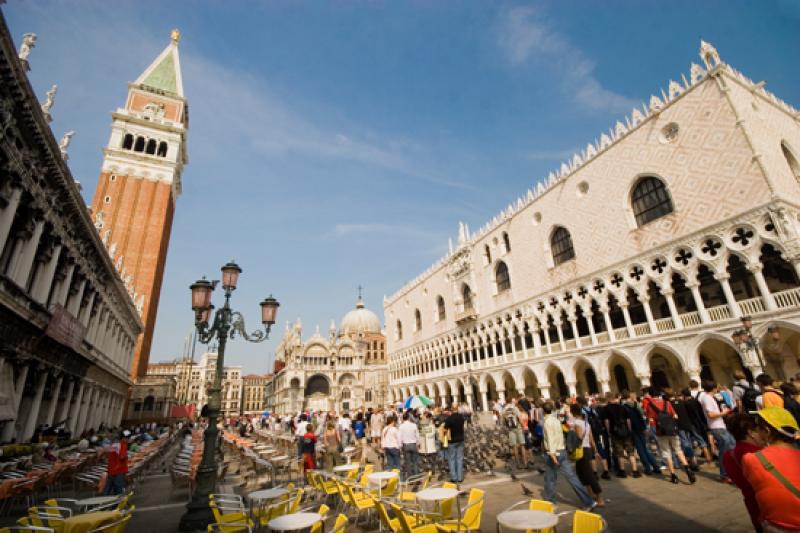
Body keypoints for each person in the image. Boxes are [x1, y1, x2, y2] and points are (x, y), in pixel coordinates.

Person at [742, 407, 800, 531]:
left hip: (778, 526)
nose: (755, 431)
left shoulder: (751, 459)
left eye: (757, 427)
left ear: (767, 431)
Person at [542, 401, 596, 510]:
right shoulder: (556, 420)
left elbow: (551, 438)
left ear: (544, 411)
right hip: (562, 451)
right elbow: (561, 435)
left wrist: (552, 454)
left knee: (550, 478)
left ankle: (550, 502)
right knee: (572, 478)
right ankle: (588, 501)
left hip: (554, 453)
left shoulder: (547, 422)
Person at [722, 414, 764, 532]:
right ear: (751, 432)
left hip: (752, 505)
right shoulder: (761, 454)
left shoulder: (728, 456)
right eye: (759, 429)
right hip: (772, 506)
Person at [644, 390, 696, 484]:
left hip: (661, 432)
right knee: (678, 450)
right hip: (672, 431)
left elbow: (650, 420)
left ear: (650, 395)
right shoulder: (667, 403)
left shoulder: (650, 405)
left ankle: (673, 475)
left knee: (667, 453)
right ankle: (688, 469)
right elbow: (675, 416)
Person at [698, 380, 736, 482]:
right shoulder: (707, 398)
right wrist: (723, 413)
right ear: (714, 388)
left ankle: (730, 472)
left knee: (731, 446)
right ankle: (724, 474)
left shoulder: (710, 397)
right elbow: (711, 414)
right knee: (725, 451)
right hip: (716, 427)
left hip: (720, 426)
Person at [569, 404, 604, 507]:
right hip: (587, 449)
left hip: (581, 450)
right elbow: (591, 438)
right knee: (581, 473)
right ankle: (590, 495)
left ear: (572, 412)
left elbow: (579, 438)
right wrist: (596, 451)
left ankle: (599, 496)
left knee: (588, 473)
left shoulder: (576, 424)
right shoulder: (586, 423)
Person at [602, 392, 640, 477]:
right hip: (625, 431)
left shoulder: (606, 408)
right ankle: (635, 470)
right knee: (630, 452)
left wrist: (609, 432)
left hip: (615, 432)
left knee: (619, 452)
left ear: (608, 399)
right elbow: (628, 420)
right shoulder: (622, 407)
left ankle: (622, 471)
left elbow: (606, 421)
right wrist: (629, 430)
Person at [622, 390, 658, 476]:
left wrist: (630, 431)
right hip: (641, 428)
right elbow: (642, 414)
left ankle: (648, 468)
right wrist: (644, 427)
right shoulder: (636, 404)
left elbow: (627, 420)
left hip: (633, 429)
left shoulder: (624, 406)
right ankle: (655, 466)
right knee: (645, 448)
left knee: (640, 449)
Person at [443, 405, 466, 484]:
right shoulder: (461, 417)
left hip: (452, 441)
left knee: (452, 459)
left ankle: (453, 477)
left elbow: (445, 430)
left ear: (451, 409)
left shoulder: (449, 419)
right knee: (459, 458)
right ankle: (460, 477)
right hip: (461, 440)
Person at [103, 430, 129, 495]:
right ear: (124, 438)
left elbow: (108, 455)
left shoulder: (114, 445)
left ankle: (102, 503)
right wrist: (126, 457)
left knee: (107, 490)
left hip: (111, 470)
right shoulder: (123, 445)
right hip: (119, 471)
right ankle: (118, 504)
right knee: (118, 491)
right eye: (128, 438)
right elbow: (122, 457)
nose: (128, 440)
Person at [503, 396, 526, 469]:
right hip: (518, 428)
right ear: (511, 401)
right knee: (522, 445)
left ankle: (517, 463)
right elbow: (520, 418)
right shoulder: (515, 408)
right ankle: (525, 462)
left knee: (514, 446)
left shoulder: (504, 410)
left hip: (510, 429)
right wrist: (524, 427)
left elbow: (503, 422)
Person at [399, 412, 420, 479]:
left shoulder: (401, 426)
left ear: (403, 418)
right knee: (415, 462)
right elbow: (417, 435)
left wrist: (400, 446)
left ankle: (410, 477)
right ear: (408, 418)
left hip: (406, 445)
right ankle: (416, 477)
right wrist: (418, 444)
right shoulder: (414, 425)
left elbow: (400, 437)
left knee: (408, 462)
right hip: (413, 444)